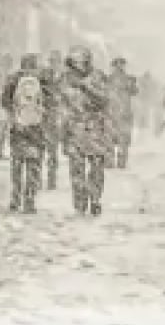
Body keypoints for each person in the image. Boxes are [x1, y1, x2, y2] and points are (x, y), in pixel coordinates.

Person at [60, 47, 110, 215]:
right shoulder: (65, 79)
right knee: (76, 169)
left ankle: (95, 199)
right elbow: (61, 106)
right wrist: (63, 133)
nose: (74, 68)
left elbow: (104, 100)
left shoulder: (98, 76)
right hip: (74, 130)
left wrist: (85, 88)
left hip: (95, 130)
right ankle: (79, 202)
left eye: (77, 63)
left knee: (96, 167)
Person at [2, 54, 51, 213]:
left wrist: (15, 114)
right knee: (33, 164)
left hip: (18, 127)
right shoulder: (42, 79)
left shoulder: (13, 79)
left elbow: (4, 101)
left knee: (17, 165)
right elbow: (50, 102)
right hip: (36, 128)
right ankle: (29, 200)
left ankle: (15, 200)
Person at [103, 57, 140, 169]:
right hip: (112, 113)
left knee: (121, 140)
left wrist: (131, 84)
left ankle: (119, 162)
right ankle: (112, 162)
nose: (120, 67)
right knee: (111, 139)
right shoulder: (108, 79)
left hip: (122, 114)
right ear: (114, 66)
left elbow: (135, 91)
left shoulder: (128, 79)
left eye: (122, 64)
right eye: (118, 65)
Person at [40, 50, 64, 190]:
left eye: (56, 60)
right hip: (45, 116)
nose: (55, 63)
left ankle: (51, 178)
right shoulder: (44, 75)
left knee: (52, 151)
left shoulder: (62, 77)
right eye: (53, 60)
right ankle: (41, 178)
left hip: (53, 117)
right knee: (43, 150)